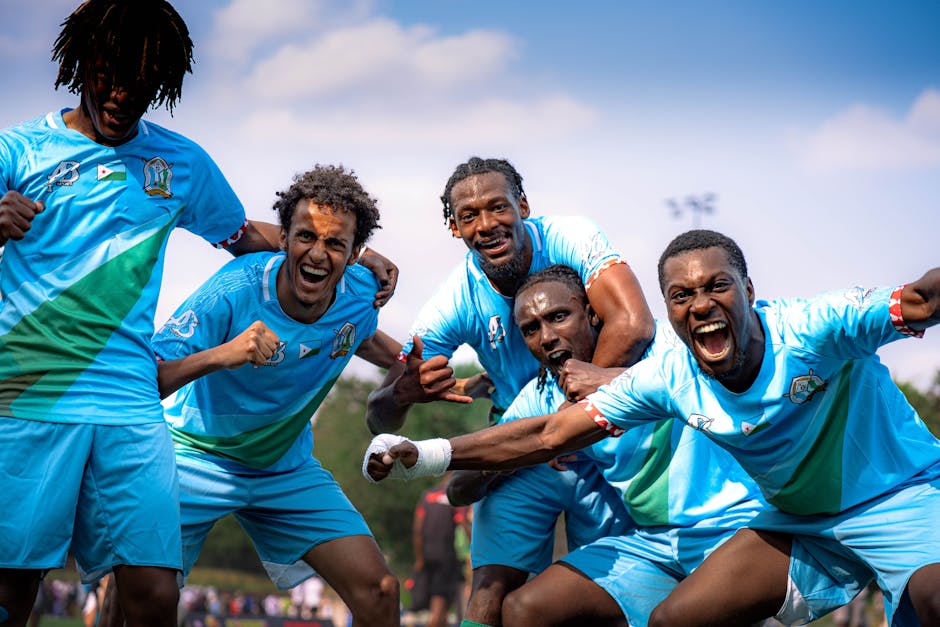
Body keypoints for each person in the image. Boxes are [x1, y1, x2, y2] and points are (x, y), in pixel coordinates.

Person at [0, 3, 398, 626]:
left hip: (130, 404)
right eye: (109, 73)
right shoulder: (17, 150)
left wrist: (354, 250)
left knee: (155, 594)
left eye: (142, 83)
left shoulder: (181, 164)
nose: (121, 94)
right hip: (30, 392)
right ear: (81, 63)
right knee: (12, 589)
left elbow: (246, 236)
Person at [365, 229, 940, 626]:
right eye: (682, 295)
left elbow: (918, 301)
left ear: (749, 292)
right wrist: (426, 449)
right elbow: (545, 436)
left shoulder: (816, 328)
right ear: (669, 310)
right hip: (795, 524)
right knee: (668, 620)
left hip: (900, 497)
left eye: (718, 287)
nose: (701, 305)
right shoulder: (669, 375)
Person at [101, 165, 402, 626]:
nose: (317, 254)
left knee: (380, 592)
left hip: (284, 468)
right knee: (136, 597)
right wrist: (225, 354)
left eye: (335, 244)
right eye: (306, 237)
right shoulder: (233, 288)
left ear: (355, 254)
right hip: (191, 456)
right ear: (284, 238)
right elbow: (147, 378)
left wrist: (417, 368)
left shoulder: (362, 293)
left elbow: (362, 337)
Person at [366, 157, 655, 626]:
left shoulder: (571, 237)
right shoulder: (453, 303)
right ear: (454, 229)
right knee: (492, 586)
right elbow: (377, 414)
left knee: (604, 587)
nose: (486, 225)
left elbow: (634, 323)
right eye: (468, 216)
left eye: (498, 207)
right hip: (521, 437)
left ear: (522, 204)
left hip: (602, 424)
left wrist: (569, 421)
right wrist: (404, 394)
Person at [451, 265, 767, 626]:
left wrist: (611, 381)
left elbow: (725, 371)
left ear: (592, 314)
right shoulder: (542, 396)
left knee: (674, 619)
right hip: (659, 544)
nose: (547, 337)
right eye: (531, 329)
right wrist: (511, 458)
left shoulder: (664, 347)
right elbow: (460, 489)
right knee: (523, 609)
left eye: (558, 317)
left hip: (735, 529)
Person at [413, 474, 472, 627]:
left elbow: (418, 529)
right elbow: (462, 522)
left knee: (441, 601)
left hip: (427, 554)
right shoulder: (453, 496)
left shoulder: (427, 495)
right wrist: (474, 544)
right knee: (440, 601)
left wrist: (419, 558)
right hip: (446, 555)